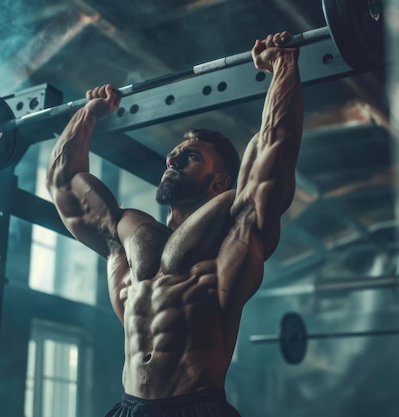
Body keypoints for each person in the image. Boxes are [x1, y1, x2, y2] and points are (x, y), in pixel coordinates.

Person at [46, 31, 303, 417]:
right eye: (175, 153)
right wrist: (88, 113)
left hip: (196, 406)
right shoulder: (129, 235)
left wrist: (282, 65)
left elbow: (274, 149)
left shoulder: (234, 235)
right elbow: (64, 183)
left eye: (191, 157)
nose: (174, 159)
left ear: (219, 182)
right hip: (128, 408)